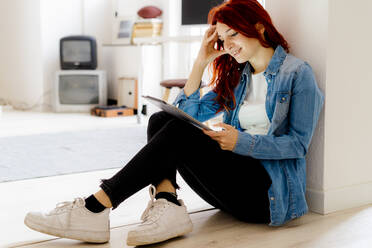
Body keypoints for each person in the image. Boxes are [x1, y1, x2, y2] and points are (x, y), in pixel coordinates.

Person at [24, 0, 324, 246]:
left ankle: (95, 206)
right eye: (223, 38)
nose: (228, 45)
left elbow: (298, 145)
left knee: (176, 130)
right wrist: (200, 62)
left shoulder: (297, 74)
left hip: (265, 196)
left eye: (233, 34)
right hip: (232, 184)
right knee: (162, 118)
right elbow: (186, 110)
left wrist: (241, 142)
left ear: (259, 26)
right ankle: (167, 204)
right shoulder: (239, 79)